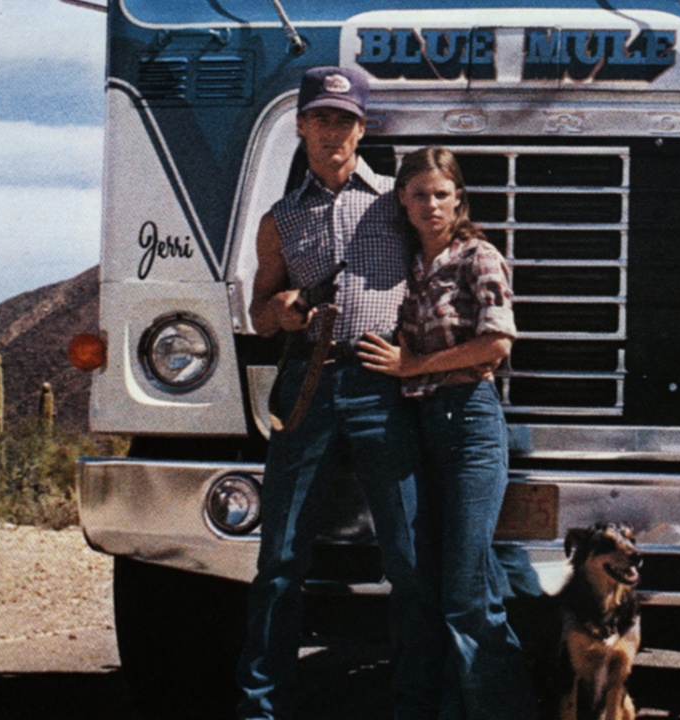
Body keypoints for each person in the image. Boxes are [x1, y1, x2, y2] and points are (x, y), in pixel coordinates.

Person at [237, 67, 436, 720]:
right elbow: (259, 310)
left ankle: (415, 704)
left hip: (382, 385)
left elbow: (439, 281)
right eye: (320, 119)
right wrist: (282, 311)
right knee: (281, 558)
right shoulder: (280, 218)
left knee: (408, 559)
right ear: (300, 126)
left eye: (345, 120)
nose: (333, 132)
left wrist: (417, 358)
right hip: (308, 386)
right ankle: (262, 709)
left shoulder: (397, 202)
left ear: (363, 128)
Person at [357, 146, 536, 720]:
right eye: (418, 194)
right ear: (401, 202)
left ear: (458, 198)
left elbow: (495, 345)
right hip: (418, 430)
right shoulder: (405, 264)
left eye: (441, 194)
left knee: (466, 592)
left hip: (470, 425)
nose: (430, 205)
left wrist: (413, 367)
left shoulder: (477, 257)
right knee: (426, 583)